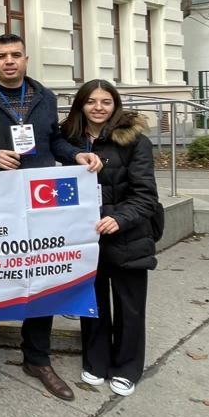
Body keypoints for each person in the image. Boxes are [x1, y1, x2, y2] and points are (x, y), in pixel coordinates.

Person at [0, 33, 101, 401]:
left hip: (39, 203)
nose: (9, 61)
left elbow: (53, 141)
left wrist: (75, 156)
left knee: (42, 274)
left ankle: (37, 358)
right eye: (2, 56)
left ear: (25, 58)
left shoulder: (45, 98)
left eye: (15, 55)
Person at [60, 79, 159, 396]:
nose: (98, 107)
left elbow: (145, 195)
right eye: (91, 101)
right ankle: (96, 361)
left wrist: (119, 218)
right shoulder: (69, 141)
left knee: (130, 306)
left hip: (127, 234)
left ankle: (127, 368)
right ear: (81, 105)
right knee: (92, 301)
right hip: (86, 235)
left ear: (115, 105)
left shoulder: (134, 141)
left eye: (105, 101)